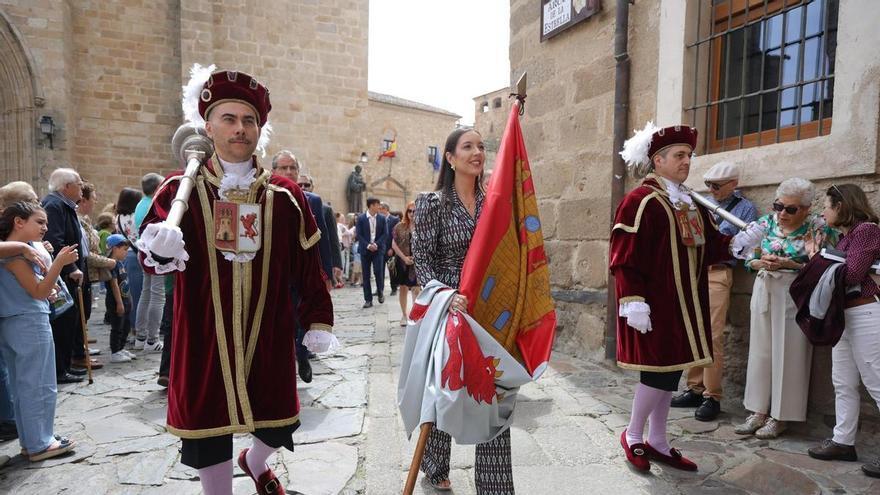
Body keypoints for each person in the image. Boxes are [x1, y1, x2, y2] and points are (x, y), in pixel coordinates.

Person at [138, 68, 335, 495]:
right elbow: (151, 263)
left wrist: (318, 318)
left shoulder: (285, 195)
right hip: (203, 335)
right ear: (208, 126)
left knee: (278, 419)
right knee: (208, 429)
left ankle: (255, 461)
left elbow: (308, 265)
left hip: (268, 332)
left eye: (249, 120)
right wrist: (159, 250)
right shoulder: (177, 191)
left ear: (259, 129)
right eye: (228, 118)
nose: (240, 128)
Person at [611, 123, 763, 472]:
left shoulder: (687, 202)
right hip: (654, 305)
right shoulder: (640, 201)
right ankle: (632, 435)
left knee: (671, 374)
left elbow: (708, 246)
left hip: (686, 304)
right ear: (658, 160)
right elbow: (624, 256)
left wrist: (739, 241)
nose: (687, 161)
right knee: (655, 375)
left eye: (689, 155)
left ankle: (658, 439)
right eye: (679, 155)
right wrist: (633, 300)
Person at [411, 128, 516, 493]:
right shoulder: (431, 203)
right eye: (467, 146)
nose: (477, 152)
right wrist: (444, 294)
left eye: (481, 147)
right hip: (447, 308)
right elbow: (422, 260)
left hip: (489, 310)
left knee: (496, 392)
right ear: (450, 158)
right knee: (447, 390)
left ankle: (495, 485)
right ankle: (435, 463)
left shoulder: (494, 204)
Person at [735, 178, 837, 439]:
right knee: (760, 351)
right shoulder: (766, 223)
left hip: (795, 291)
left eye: (791, 209)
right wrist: (758, 262)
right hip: (765, 285)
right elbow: (745, 255)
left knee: (791, 352)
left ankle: (781, 416)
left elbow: (828, 265)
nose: (782, 213)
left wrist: (791, 265)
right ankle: (757, 410)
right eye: (778, 206)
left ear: (806, 208)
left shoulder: (817, 227)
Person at [671, 161, 757, 421]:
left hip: (718, 271)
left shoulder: (745, 208)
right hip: (695, 271)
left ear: (733, 184)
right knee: (693, 331)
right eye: (708, 185)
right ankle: (694, 388)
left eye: (717, 186)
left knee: (712, 335)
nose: (712, 190)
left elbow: (746, 245)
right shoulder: (703, 203)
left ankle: (712, 396)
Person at [806, 184, 880, 479]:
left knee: (876, 381)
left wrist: (819, 260)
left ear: (841, 205)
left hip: (866, 312)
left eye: (826, 206)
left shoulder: (866, 231)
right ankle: (843, 442)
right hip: (845, 315)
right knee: (843, 381)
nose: (823, 212)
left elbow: (853, 273)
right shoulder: (847, 236)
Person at [0, 201, 79, 461]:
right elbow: (39, 292)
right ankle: (40, 443)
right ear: (18, 222)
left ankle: (32, 441)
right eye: (40, 222)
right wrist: (60, 263)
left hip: (13, 321)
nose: (45, 227)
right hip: (29, 321)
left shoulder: (14, 251)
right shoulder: (16, 254)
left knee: (22, 385)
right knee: (39, 384)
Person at [270, 152, 334, 383]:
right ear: (273, 171)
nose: (289, 172)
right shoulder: (266, 197)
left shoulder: (313, 201)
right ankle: (285, 361)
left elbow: (322, 239)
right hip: (275, 272)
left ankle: (303, 355)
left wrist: (328, 272)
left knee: (302, 315)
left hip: (303, 271)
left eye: (293, 168)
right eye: (284, 168)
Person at [42, 168, 98, 382]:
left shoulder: (63, 205)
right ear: (66, 187)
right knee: (64, 322)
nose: (82, 188)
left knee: (71, 322)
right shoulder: (54, 205)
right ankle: (60, 370)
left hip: (71, 273)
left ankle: (65, 365)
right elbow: (56, 241)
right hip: (66, 275)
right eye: (78, 184)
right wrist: (71, 268)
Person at [79, 182, 118, 354]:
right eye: (93, 198)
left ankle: (81, 345)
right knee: (82, 311)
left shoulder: (85, 219)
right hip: (86, 270)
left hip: (90, 272)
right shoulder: (79, 220)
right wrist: (107, 262)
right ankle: (79, 351)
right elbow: (86, 252)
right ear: (84, 200)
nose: (95, 202)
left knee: (85, 311)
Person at [134, 173, 166, 352]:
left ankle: (141, 337)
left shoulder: (141, 203)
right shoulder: (154, 204)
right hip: (155, 252)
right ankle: (152, 340)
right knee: (157, 296)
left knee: (146, 294)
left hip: (143, 251)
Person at [116, 187, 144, 350]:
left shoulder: (119, 217)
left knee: (130, 293)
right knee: (138, 294)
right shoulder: (134, 217)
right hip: (136, 255)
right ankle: (137, 329)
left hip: (126, 256)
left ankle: (132, 329)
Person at [104, 234, 135, 363]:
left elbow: (125, 282)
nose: (126, 252)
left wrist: (129, 299)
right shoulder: (112, 264)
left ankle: (121, 348)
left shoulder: (121, 263)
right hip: (116, 301)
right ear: (115, 248)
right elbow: (114, 284)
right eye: (124, 249)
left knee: (125, 326)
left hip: (125, 299)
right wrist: (119, 303)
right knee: (117, 327)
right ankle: (115, 352)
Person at [391, 201, 420, 326]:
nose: (412, 213)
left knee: (416, 289)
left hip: (417, 262)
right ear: (406, 212)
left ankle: (415, 315)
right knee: (403, 288)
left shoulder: (422, 226)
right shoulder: (399, 226)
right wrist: (404, 258)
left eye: (414, 211)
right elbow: (394, 244)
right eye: (410, 211)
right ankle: (404, 315)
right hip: (402, 262)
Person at [356, 198, 387, 308]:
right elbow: (359, 235)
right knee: (366, 275)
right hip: (365, 250)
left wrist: (376, 244)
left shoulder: (382, 218)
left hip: (378, 250)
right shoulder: (361, 218)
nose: (379, 207)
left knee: (378, 272)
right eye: (377, 205)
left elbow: (385, 234)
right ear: (371, 206)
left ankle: (380, 291)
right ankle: (368, 300)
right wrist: (368, 245)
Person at [380, 202, 400, 296]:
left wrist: (392, 248)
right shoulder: (378, 219)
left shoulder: (394, 219)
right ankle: (380, 289)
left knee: (392, 269)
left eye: (380, 209)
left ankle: (394, 288)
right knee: (379, 270)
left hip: (390, 249)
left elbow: (396, 235)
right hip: (380, 249)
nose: (379, 211)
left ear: (385, 209)